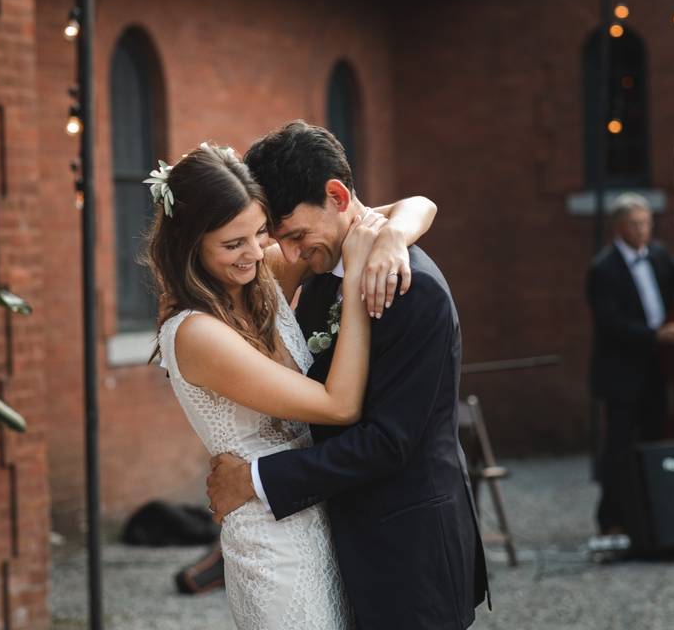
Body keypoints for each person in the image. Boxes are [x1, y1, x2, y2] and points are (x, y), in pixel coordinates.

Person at [206, 121, 488, 630]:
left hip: (409, 556)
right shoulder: (321, 278)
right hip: (340, 549)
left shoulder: (412, 289)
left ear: (336, 195)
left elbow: (389, 442)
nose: (290, 256)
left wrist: (255, 479)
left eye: (295, 235)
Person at [146, 141, 439, 629]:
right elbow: (340, 406)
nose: (256, 253)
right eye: (232, 243)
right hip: (272, 544)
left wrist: (390, 239)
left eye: (260, 233)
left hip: (326, 519)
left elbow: (418, 206)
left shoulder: (260, 276)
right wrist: (352, 290)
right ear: (192, 244)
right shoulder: (196, 333)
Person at [585, 193, 674, 535]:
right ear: (619, 226)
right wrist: (655, 335)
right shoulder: (603, 268)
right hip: (622, 371)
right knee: (620, 448)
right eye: (635, 224)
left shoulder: (658, 256)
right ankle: (611, 519)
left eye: (646, 223)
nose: (642, 230)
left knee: (655, 439)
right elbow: (611, 323)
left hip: (659, 367)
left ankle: (653, 511)